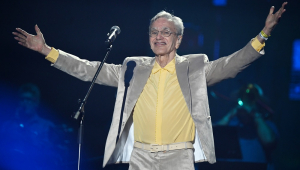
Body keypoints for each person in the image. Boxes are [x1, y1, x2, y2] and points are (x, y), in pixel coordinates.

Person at [12, 3, 287, 170]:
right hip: (140, 157)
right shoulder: (133, 67)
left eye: (166, 32)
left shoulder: (193, 67)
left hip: (178, 157)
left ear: (178, 40)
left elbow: (231, 64)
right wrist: (47, 50)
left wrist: (262, 35)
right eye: (154, 32)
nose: (159, 37)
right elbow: (89, 69)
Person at [214, 84, 278, 170]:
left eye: (251, 97)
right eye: (243, 96)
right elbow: (211, 137)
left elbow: (269, 141)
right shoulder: (229, 123)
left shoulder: (267, 124)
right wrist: (229, 116)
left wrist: (256, 116)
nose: (247, 100)